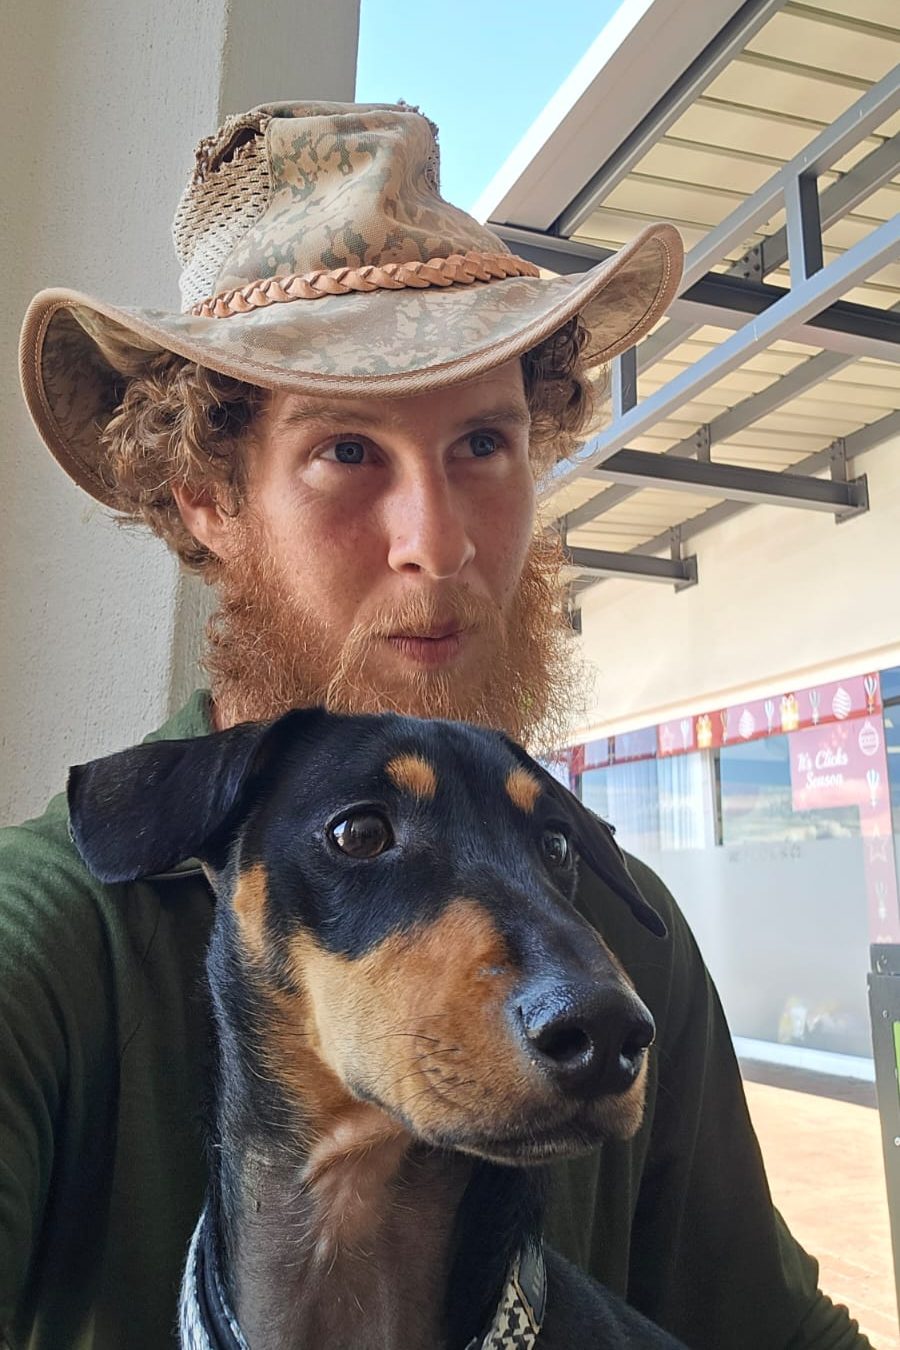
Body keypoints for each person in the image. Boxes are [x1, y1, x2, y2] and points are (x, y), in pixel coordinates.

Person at [4, 101, 870, 1349]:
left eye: (482, 442)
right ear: (206, 503)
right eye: (348, 450)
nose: (443, 541)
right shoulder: (50, 942)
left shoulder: (624, 937)